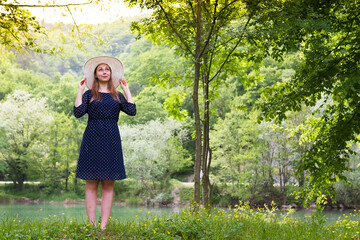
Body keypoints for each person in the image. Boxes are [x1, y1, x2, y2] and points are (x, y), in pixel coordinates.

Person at [73, 56, 136, 230]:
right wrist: (79, 90)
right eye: (100, 69)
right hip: (92, 139)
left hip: (111, 140)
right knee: (91, 184)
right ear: (95, 74)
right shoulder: (88, 94)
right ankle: (92, 226)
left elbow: (132, 111)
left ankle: (103, 227)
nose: (104, 72)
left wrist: (127, 89)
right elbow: (78, 112)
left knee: (108, 184)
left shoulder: (117, 96)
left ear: (111, 73)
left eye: (107, 69)